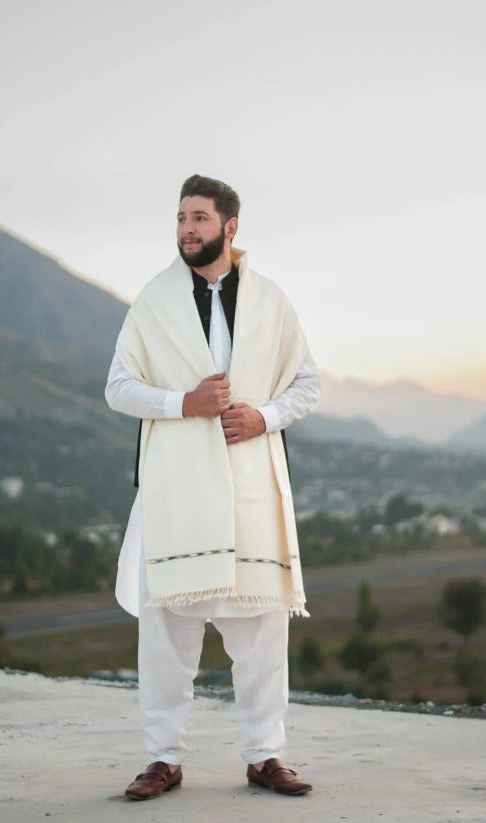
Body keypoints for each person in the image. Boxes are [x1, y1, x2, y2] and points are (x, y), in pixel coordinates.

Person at [105, 174, 320, 800]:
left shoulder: (272, 302)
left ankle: (265, 756)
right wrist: (184, 403)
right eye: (181, 218)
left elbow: (306, 384)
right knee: (166, 634)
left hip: (251, 486)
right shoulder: (152, 302)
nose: (187, 229)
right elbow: (118, 387)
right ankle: (162, 759)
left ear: (230, 227)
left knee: (261, 633)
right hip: (176, 491)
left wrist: (264, 418)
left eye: (199, 218)